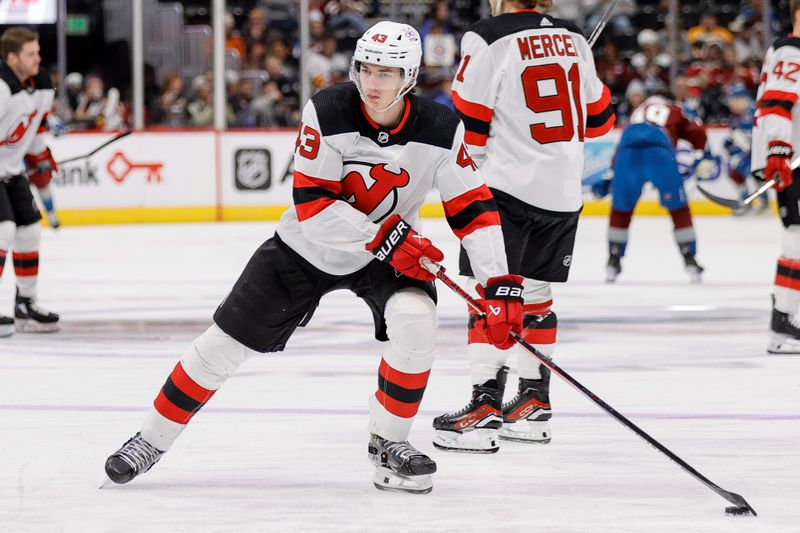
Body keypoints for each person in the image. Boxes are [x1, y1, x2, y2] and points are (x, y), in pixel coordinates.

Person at [104, 21, 522, 494]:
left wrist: (499, 284)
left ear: (409, 76)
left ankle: (390, 444)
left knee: (416, 320)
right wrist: (387, 237)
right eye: (366, 68)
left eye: (387, 72)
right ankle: (149, 440)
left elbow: (474, 206)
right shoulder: (327, 109)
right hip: (309, 248)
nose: (372, 82)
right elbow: (313, 207)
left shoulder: (442, 128)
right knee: (223, 345)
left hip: (387, 251)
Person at [433, 0, 615, 454]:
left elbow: (468, 124)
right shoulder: (574, 38)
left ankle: (484, 408)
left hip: (508, 189)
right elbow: (601, 121)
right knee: (535, 298)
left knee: (490, 295)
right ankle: (533, 402)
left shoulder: (488, 35)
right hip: (563, 194)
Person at [593, 92, 715, 284]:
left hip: (628, 152)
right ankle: (690, 259)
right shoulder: (676, 108)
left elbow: (621, 145)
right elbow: (698, 132)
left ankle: (613, 260)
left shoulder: (638, 111)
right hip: (658, 150)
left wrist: (611, 174)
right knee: (678, 208)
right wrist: (703, 154)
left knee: (621, 209)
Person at [0, 27, 60, 337]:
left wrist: (40, 157)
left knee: (29, 231)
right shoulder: (1, 87)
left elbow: (35, 130)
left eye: (37, 52)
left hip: (11, 172)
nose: (38, 59)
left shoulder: (42, 84)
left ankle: (25, 302)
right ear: (12, 58)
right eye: (30, 54)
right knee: (3, 231)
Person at [751, 0, 800, 354]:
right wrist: (779, 149)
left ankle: (785, 316)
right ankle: (784, 321)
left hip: (791, 156)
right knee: (797, 239)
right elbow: (777, 102)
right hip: (793, 160)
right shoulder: (791, 50)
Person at [722, 82, 766, 215]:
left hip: (761, 151)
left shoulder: (756, 112)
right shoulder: (736, 116)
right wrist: (729, 143)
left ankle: (763, 201)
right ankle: (746, 199)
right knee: (734, 171)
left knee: (756, 171)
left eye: (734, 99)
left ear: (744, 98)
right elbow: (736, 136)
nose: (731, 104)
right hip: (748, 152)